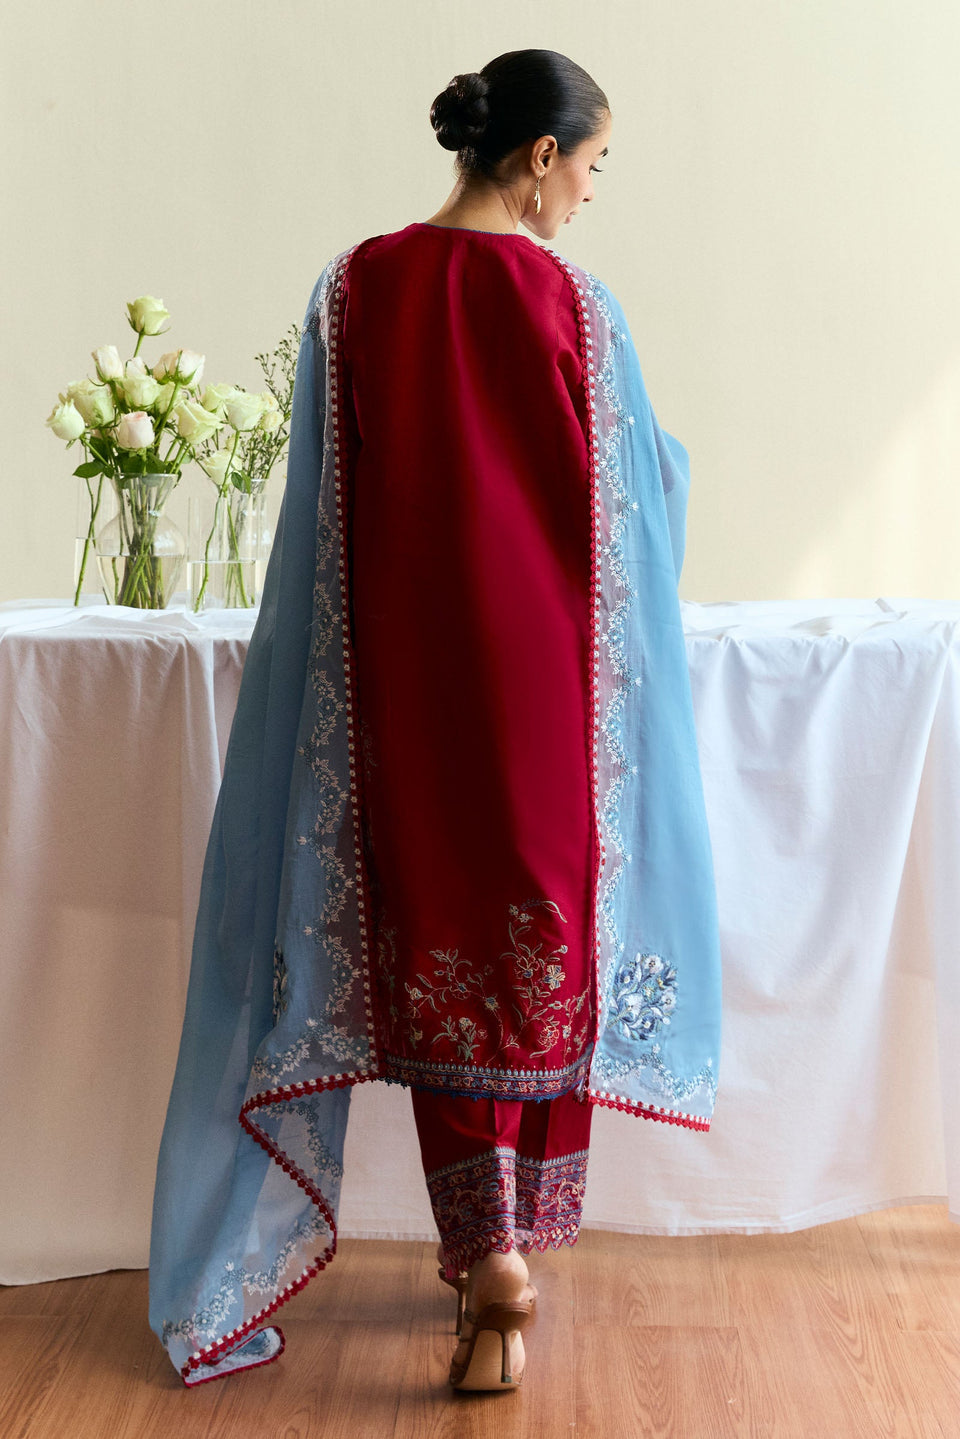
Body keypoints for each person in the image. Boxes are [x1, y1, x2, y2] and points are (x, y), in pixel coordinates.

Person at [148, 48, 722, 1393]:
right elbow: (633, 500)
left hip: (401, 692)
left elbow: (320, 512)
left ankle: (488, 1254)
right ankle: (504, 1264)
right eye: (591, 166)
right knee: (543, 957)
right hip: (547, 695)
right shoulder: (577, 306)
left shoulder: (354, 290)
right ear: (540, 158)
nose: (590, 195)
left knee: (439, 956)